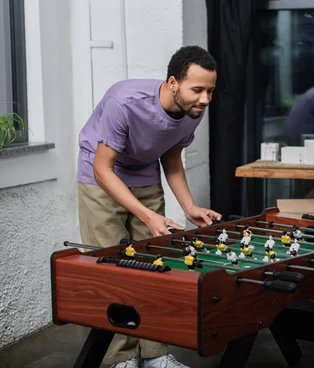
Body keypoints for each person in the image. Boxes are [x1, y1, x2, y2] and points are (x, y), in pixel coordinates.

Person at [76, 45, 222, 368]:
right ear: (173, 83)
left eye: (210, 91)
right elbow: (103, 168)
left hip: (143, 173)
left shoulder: (193, 110)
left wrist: (189, 206)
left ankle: (156, 355)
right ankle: (120, 359)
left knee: (157, 263)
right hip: (100, 175)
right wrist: (147, 215)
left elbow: (171, 156)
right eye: (197, 89)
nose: (205, 99)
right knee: (114, 265)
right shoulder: (123, 103)